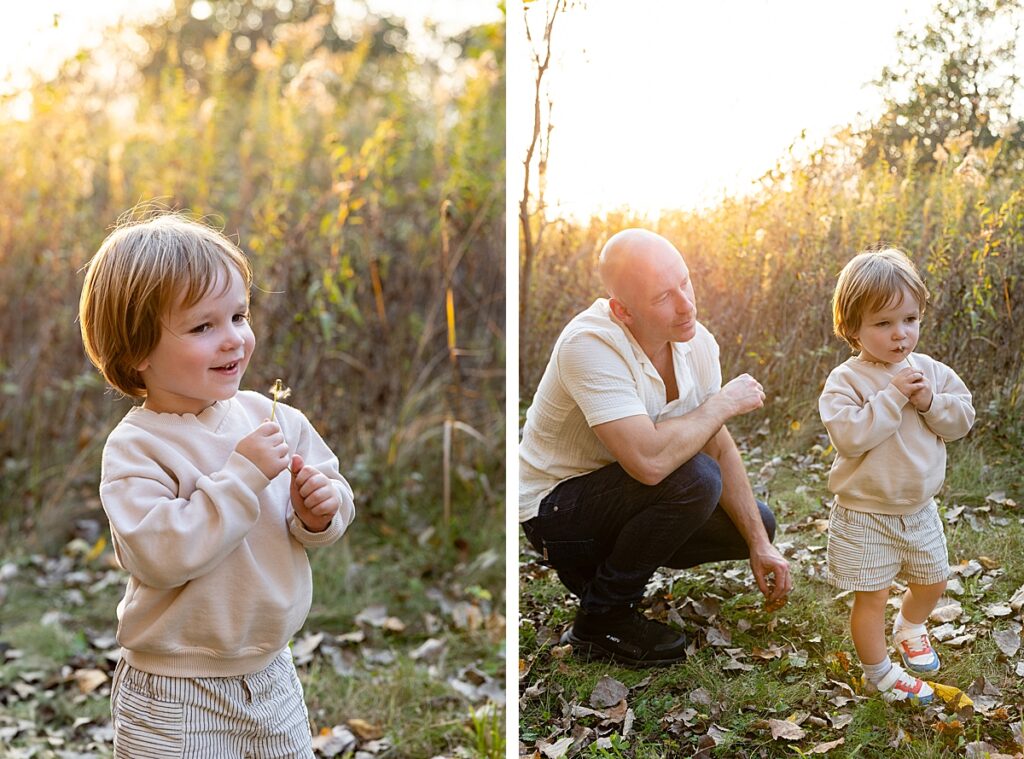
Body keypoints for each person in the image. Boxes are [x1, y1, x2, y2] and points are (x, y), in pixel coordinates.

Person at [79, 212, 356, 756]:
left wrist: (321, 511)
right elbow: (158, 554)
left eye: (239, 316)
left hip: (271, 671)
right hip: (175, 687)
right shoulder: (138, 446)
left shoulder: (273, 418)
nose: (233, 340)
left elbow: (326, 496)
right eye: (204, 327)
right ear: (137, 350)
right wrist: (243, 477)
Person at [519, 228, 791, 667]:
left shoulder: (696, 343)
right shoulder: (588, 345)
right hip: (555, 512)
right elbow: (649, 463)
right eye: (664, 296)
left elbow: (715, 444)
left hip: (616, 497)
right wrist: (721, 403)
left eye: (685, 282)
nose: (686, 304)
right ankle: (602, 619)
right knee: (695, 479)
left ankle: (605, 572)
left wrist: (761, 545)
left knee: (757, 521)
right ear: (623, 311)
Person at [820, 248, 974, 705]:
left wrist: (929, 403)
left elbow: (962, 419)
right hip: (864, 512)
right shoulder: (845, 381)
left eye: (909, 319)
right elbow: (849, 436)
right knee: (871, 596)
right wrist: (891, 399)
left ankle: (910, 627)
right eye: (883, 324)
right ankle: (879, 673)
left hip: (918, 508)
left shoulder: (930, 372)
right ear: (853, 328)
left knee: (933, 580)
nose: (900, 334)